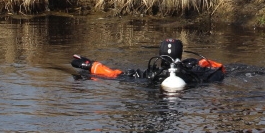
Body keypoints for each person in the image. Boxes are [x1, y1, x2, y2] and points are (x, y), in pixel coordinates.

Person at [71, 38, 225, 85]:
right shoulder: (193, 70)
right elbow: (218, 72)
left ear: (159, 55)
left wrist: (90, 65)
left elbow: (115, 75)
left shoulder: (150, 74)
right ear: (181, 53)